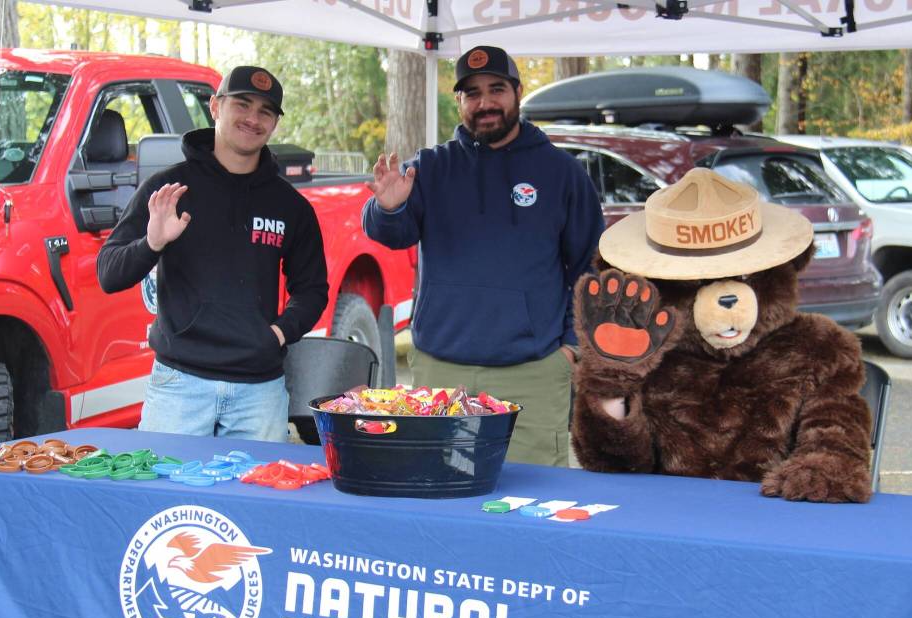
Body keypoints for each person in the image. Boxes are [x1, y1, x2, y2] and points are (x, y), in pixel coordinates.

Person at [362, 45, 604, 467]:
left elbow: (590, 268)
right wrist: (388, 206)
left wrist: (569, 346)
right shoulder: (431, 167)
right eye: (471, 94)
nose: (485, 102)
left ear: (517, 93)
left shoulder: (561, 172)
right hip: (442, 370)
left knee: (532, 499)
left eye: (496, 89)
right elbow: (391, 234)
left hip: (532, 372)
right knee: (438, 489)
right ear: (459, 102)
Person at [96, 65, 329, 443]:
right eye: (242, 104)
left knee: (258, 501)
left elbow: (313, 289)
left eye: (265, 111)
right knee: (168, 502)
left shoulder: (291, 207)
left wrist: (280, 333)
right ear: (216, 107)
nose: (253, 118)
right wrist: (151, 243)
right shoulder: (169, 189)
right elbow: (108, 273)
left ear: (274, 124)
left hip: (259, 391)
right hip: (179, 385)